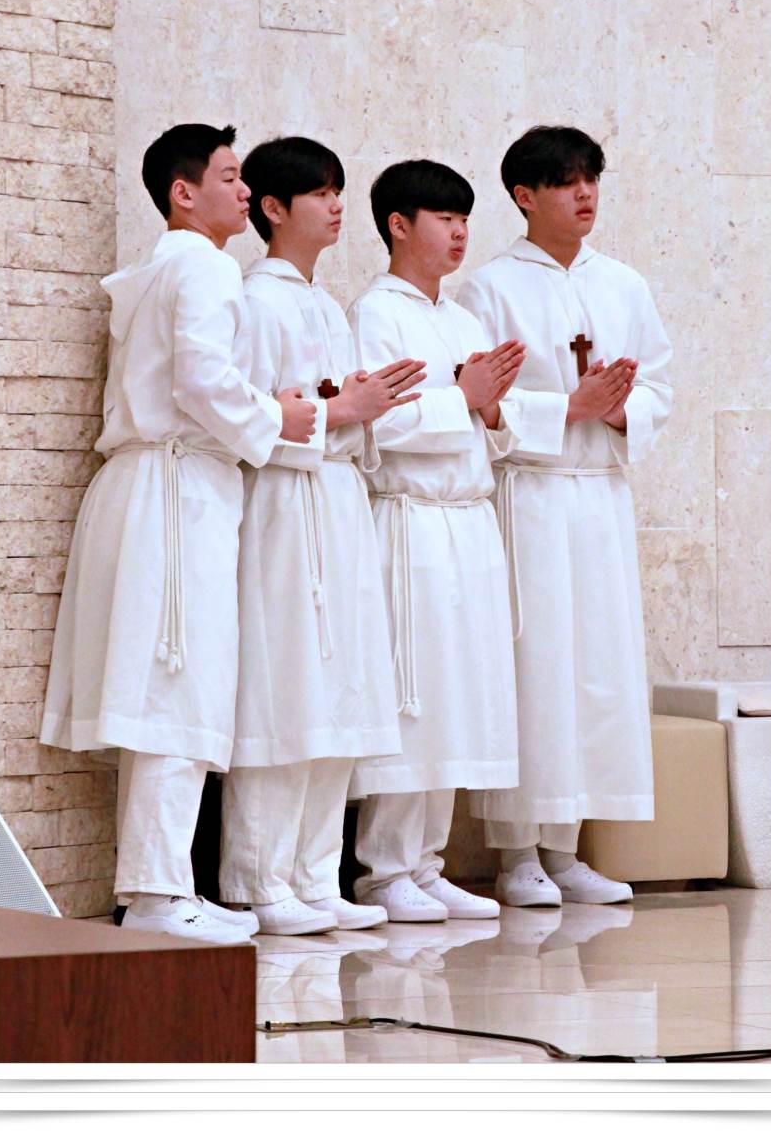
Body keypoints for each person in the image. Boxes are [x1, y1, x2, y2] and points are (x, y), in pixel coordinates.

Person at [38, 123, 317, 944]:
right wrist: (278, 415)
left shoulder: (164, 268)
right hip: (176, 491)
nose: (244, 190)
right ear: (182, 192)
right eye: (228, 177)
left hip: (154, 486)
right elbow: (203, 381)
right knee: (177, 685)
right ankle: (158, 894)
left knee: (168, 685)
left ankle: (161, 884)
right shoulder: (204, 266)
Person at [457, 124, 673, 907]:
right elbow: (478, 405)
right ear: (524, 196)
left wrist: (615, 411)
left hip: (599, 498)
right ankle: (516, 853)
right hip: (532, 496)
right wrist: (567, 408)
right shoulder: (489, 288)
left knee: (594, 669)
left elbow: (659, 387)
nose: (584, 194)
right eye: (565, 182)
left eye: (591, 179)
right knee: (536, 667)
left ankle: (566, 848)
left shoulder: (623, 284)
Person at [219, 136, 426, 936]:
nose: (337, 207)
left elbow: (341, 414)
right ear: (273, 208)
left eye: (339, 191)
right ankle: (258, 880)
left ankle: (314, 874)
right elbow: (244, 420)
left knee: (340, 687)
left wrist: (362, 409)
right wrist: (338, 411)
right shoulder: (254, 301)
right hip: (282, 507)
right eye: (320, 193)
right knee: (285, 688)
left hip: (337, 504)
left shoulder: (327, 306)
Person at [347, 159, 525, 924]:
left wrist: (491, 412)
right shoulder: (373, 314)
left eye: (463, 220)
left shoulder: (461, 319)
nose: (458, 233)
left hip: (466, 519)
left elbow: (490, 434)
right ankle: (383, 869)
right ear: (398, 225)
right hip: (411, 519)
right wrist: (463, 398)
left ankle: (426, 862)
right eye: (443, 219)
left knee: (457, 688)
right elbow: (378, 425)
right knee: (412, 690)